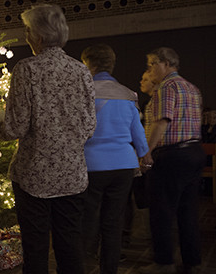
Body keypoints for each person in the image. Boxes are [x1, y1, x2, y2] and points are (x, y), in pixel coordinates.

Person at [0, 4, 96, 274]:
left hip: (34, 175)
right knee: (70, 247)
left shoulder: (27, 70)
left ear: (38, 36)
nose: (26, 36)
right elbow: (89, 126)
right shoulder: (81, 71)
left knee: (36, 249)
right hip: (72, 175)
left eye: (27, 31)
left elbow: (15, 127)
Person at [80, 44, 149, 274]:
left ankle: (80, 266)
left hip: (92, 165)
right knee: (113, 222)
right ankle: (108, 270)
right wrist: (144, 155)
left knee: (87, 221)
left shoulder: (83, 91)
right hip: (123, 166)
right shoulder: (128, 94)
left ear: (90, 64)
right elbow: (137, 131)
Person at [139, 47, 204, 274]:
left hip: (172, 156)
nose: (149, 70)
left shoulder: (167, 87)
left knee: (162, 211)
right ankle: (192, 262)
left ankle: (164, 263)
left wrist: (146, 152)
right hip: (194, 152)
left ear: (164, 63)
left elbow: (161, 122)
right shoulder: (192, 88)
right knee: (188, 213)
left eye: (151, 65)